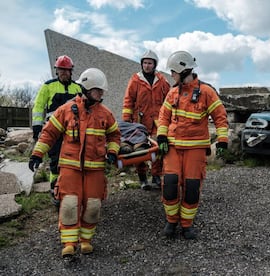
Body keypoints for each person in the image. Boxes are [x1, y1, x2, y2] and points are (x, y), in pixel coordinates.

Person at [28, 68, 121, 257]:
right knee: (70, 204)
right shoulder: (66, 111)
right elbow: (49, 133)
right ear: (86, 88)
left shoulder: (105, 114)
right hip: (70, 167)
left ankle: (86, 240)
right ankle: (69, 243)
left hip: (95, 168)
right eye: (98, 90)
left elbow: (115, 136)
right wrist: (37, 153)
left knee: (93, 206)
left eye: (102, 91)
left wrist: (112, 151)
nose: (101, 94)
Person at [157, 51, 229, 239]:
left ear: (182, 69)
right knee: (170, 185)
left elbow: (220, 117)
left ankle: (187, 224)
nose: (171, 75)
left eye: (173, 71)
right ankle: (171, 221)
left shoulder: (206, 92)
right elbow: (163, 117)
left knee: (191, 187)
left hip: (195, 149)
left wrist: (222, 140)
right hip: (173, 147)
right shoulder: (173, 92)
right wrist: (162, 137)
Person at [31, 55, 82, 206]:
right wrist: (37, 128)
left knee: (74, 159)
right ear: (56, 71)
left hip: (73, 130)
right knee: (56, 160)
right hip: (54, 130)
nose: (64, 73)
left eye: (67, 70)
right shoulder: (48, 86)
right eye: (61, 70)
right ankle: (55, 188)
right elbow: (39, 107)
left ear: (71, 71)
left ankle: (73, 188)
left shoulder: (77, 88)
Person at [122, 49, 170, 190]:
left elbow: (169, 100)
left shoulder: (162, 81)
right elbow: (128, 100)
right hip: (139, 122)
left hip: (157, 122)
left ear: (154, 65)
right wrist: (126, 122)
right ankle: (143, 179)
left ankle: (156, 177)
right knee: (140, 150)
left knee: (157, 149)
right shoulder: (135, 80)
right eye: (145, 63)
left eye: (149, 63)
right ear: (141, 64)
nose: (147, 66)